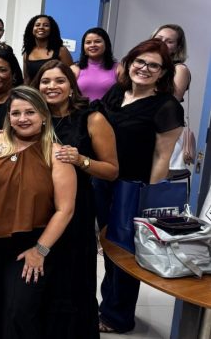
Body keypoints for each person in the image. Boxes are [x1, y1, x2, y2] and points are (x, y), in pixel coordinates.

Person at [0, 86, 77, 338]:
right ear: (8, 117)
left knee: (18, 310)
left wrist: (40, 250)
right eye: (16, 113)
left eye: (30, 112)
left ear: (44, 115)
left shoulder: (57, 154)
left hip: (28, 246)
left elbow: (65, 210)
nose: (22, 118)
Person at [95, 39, 183, 334]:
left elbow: (162, 156)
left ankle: (117, 316)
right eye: (140, 62)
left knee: (121, 253)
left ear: (162, 73)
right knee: (101, 249)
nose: (144, 69)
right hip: (101, 179)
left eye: (153, 65)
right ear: (129, 63)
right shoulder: (117, 91)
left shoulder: (167, 105)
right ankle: (102, 305)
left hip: (132, 187)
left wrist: (150, 200)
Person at [31, 60, 119, 339]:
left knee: (71, 280)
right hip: (35, 208)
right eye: (45, 81)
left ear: (71, 86)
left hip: (75, 209)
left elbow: (112, 170)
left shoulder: (91, 118)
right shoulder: (32, 115)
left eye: (59, 81)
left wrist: (81, 160)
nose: (52, 86)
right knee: (39, 276)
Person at [151, 23, 194, 173]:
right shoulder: (145, 65)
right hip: (142, 131)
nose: (162, 43)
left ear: (177, 48)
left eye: (169, 41)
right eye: (159, 38)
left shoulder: (179, 69)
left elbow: (170, 102)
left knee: (160, 186)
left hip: (165, 133)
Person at [22, 14, 73, 84]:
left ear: (51, 29)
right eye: (37, 25)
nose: (41, 27)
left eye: (46, 25)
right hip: (34, 94)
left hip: (55, 92)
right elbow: (27, 79)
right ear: (32, 29)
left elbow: (71, 77)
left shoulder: (61, 51)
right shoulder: (27, 53)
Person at [70, 27, 118, 101]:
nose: (92, 45)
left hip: (109, 111)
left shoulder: (119, 68)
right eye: (88, 42)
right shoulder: (74, 69)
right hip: (81, 111)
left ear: (106, 45)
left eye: (97, 41)